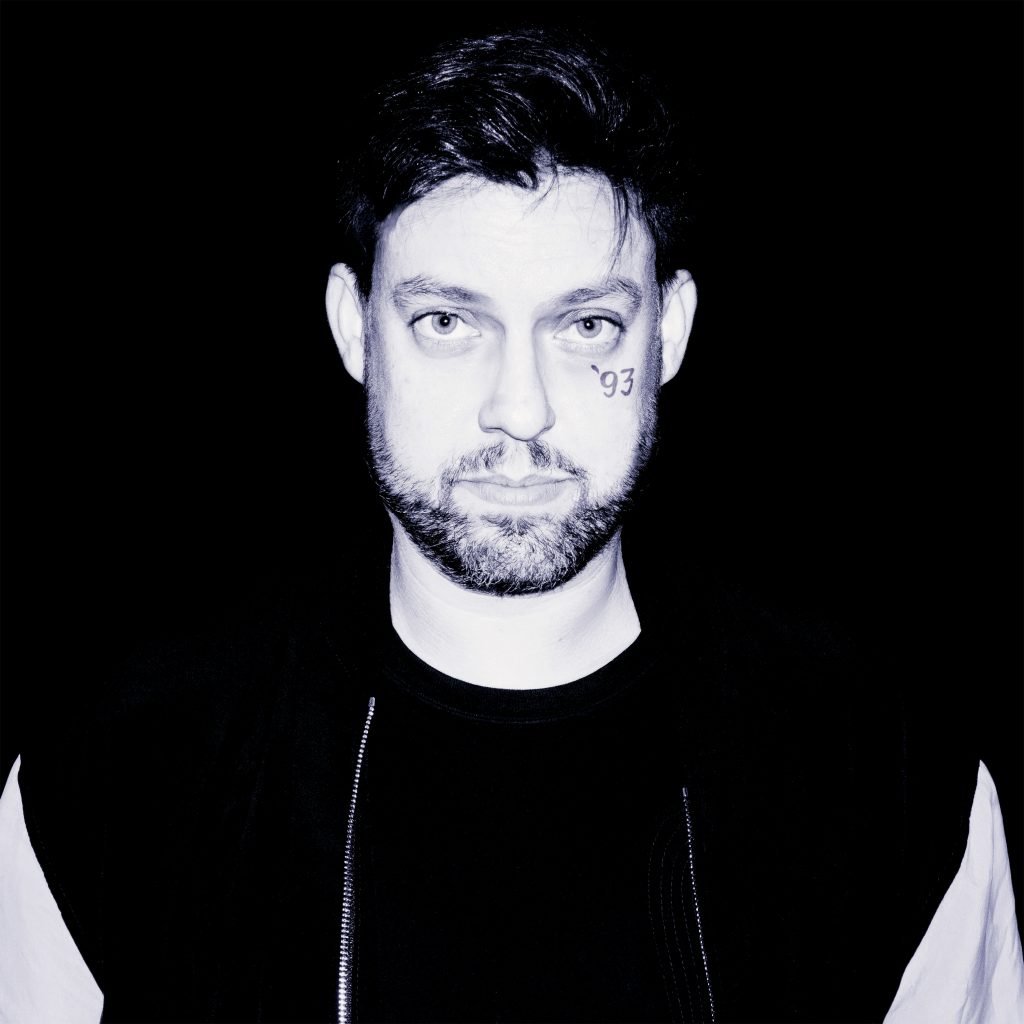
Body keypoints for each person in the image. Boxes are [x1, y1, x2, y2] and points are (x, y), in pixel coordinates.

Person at [1, 20, 1022, 1024]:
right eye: (448, 322)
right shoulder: (115, 776)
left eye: (587, 325)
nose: (520, 409)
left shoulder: (891, 781)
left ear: (667, 333)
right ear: (355, 328)